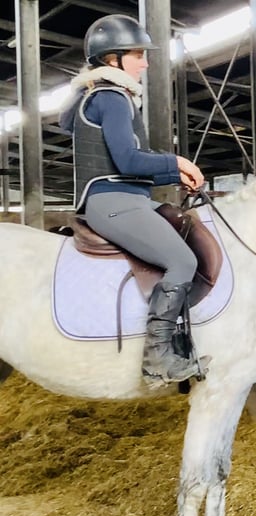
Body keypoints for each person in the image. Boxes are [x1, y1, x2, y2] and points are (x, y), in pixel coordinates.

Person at [59, 14, 208, 387]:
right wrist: (177, 161)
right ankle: (158, 358)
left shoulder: (113, 97)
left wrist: (177, 174)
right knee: (181, 259)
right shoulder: (110, 97)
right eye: (138, 54)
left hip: (128, 196)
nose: (145, 62)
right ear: (114, 59)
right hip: (113, 200)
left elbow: (132, 163)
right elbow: (127, 161)